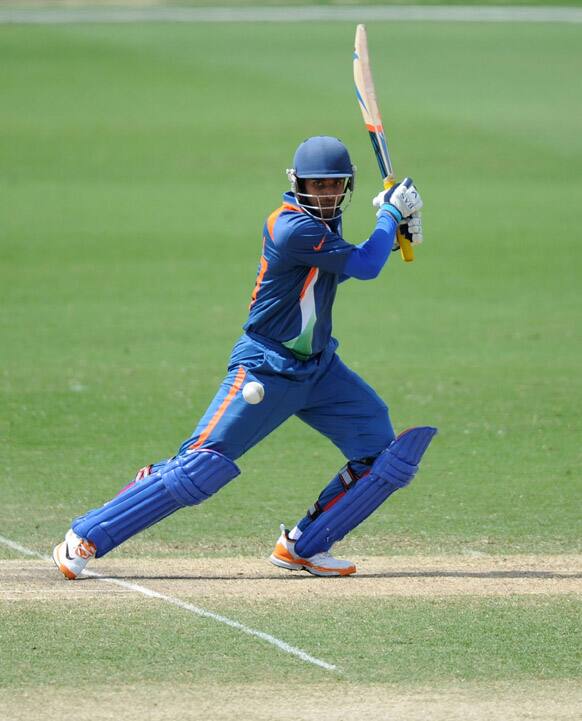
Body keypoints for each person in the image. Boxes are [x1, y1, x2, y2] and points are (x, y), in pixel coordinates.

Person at [52, 136, 436, 580]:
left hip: (319, 369)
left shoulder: (326, 226)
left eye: (335, 185)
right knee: (200, 468)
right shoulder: (291, 226)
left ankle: (305, 546)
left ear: (347, 186)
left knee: (381, 454)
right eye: (318, 185)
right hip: (267, 366)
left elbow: (343, 271)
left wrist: (392, 235)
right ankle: (86, 534)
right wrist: (389, 215)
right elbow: (364, 267)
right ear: (298, 185)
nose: (327, 194)